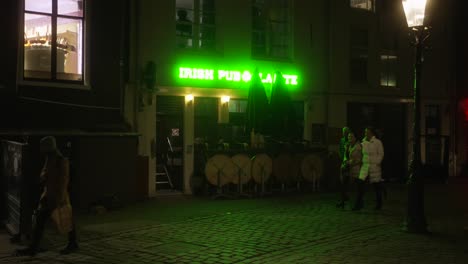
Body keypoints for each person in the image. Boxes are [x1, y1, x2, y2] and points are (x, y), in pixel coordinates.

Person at [15, 136, 78, 256]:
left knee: (66, 221)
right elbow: (45, 174)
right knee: (40, 222)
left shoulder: (61, 161)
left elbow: (63, 182)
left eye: (43, 147)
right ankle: (34, 247)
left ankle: (72, 243)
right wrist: (42, 178)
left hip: (59, 198)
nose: (41, 150)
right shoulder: (49, 158)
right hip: (48, 196)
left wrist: (58, 199)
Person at [352, 126, 385, 211]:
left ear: (371, 133)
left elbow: (381, 154)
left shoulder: (378, 142)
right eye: (365, 131)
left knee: (376, 186)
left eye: (367, 131)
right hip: (365, 167)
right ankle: (358, 204)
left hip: (374, 167)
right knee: (360, 185)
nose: (365, 133)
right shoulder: (363, 143)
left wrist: (377, 162)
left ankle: (379, 203)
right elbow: (361, 153)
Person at [337, 130, 362, 208]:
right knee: (343, 185)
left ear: (355, 138)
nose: (349, 138)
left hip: (355, 168)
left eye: (351, 136)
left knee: (357, 188)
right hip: (347, 168)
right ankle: (343, 201)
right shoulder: (347, 145)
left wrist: (349, 162)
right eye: (348, 136)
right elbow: (345, 155)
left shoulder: (358, 147)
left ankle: (358, 203)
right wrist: (345, 162)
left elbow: (358, 159)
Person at [336, 126, 350, 207]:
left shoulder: (350, 140)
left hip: (348, 162)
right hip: (343, 161)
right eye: (343, 131)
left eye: (345, 131)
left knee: (345, 179)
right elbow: (340, 149)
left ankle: (344, 196)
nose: (344, 133)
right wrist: (341, 157)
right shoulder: (342, 140)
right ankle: (343, 197)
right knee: (342, 179)